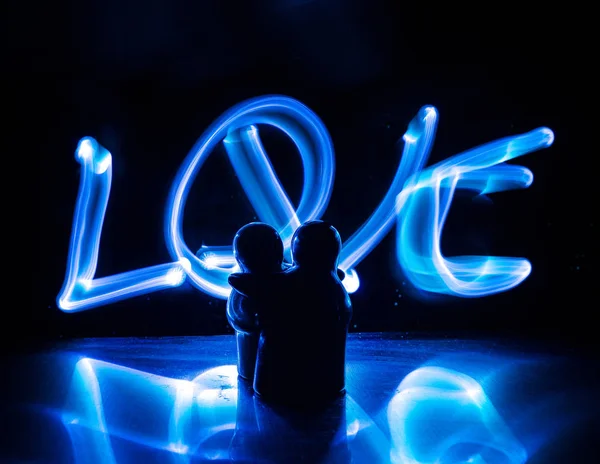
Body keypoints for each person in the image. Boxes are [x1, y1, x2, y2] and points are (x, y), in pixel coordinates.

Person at [229, 220, 353, 409]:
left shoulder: (286, 282)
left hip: (277, 383)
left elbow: (255, 289)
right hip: (325, 381)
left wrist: (252, 287)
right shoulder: (333, 284)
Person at [227, 222, 285, 381]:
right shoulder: (241, 285)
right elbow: (236, 317)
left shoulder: (242, 283)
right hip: (252, 357)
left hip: (276, 361)